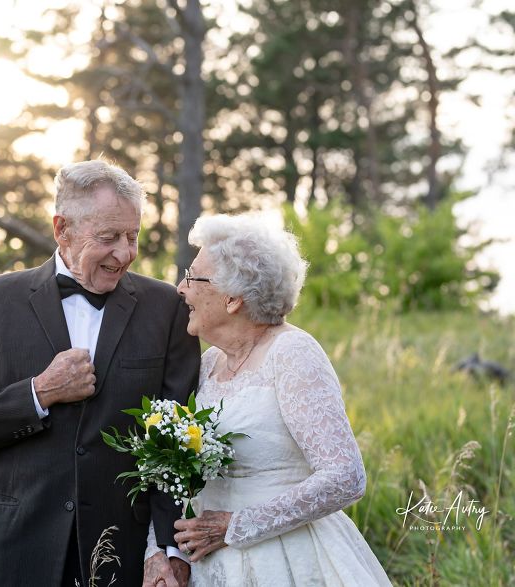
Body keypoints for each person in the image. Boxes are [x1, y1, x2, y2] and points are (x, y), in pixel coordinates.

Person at [0, 159, 200, 586]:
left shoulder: (166, 309)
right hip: (14, 548)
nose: (125, 253)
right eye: (109, 237)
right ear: (62, 230)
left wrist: (166, 547)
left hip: (124, 551)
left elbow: (178, 444)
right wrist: (39, 392)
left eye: (132, 236)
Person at [144, 213, 390, 586]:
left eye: (193, 277)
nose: (181, 288)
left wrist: (238, 525)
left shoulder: (293, 353)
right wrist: (160, 551)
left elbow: (346, 476)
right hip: (210, 564)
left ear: (232, 299)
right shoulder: (208, 363)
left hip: (286, 559)